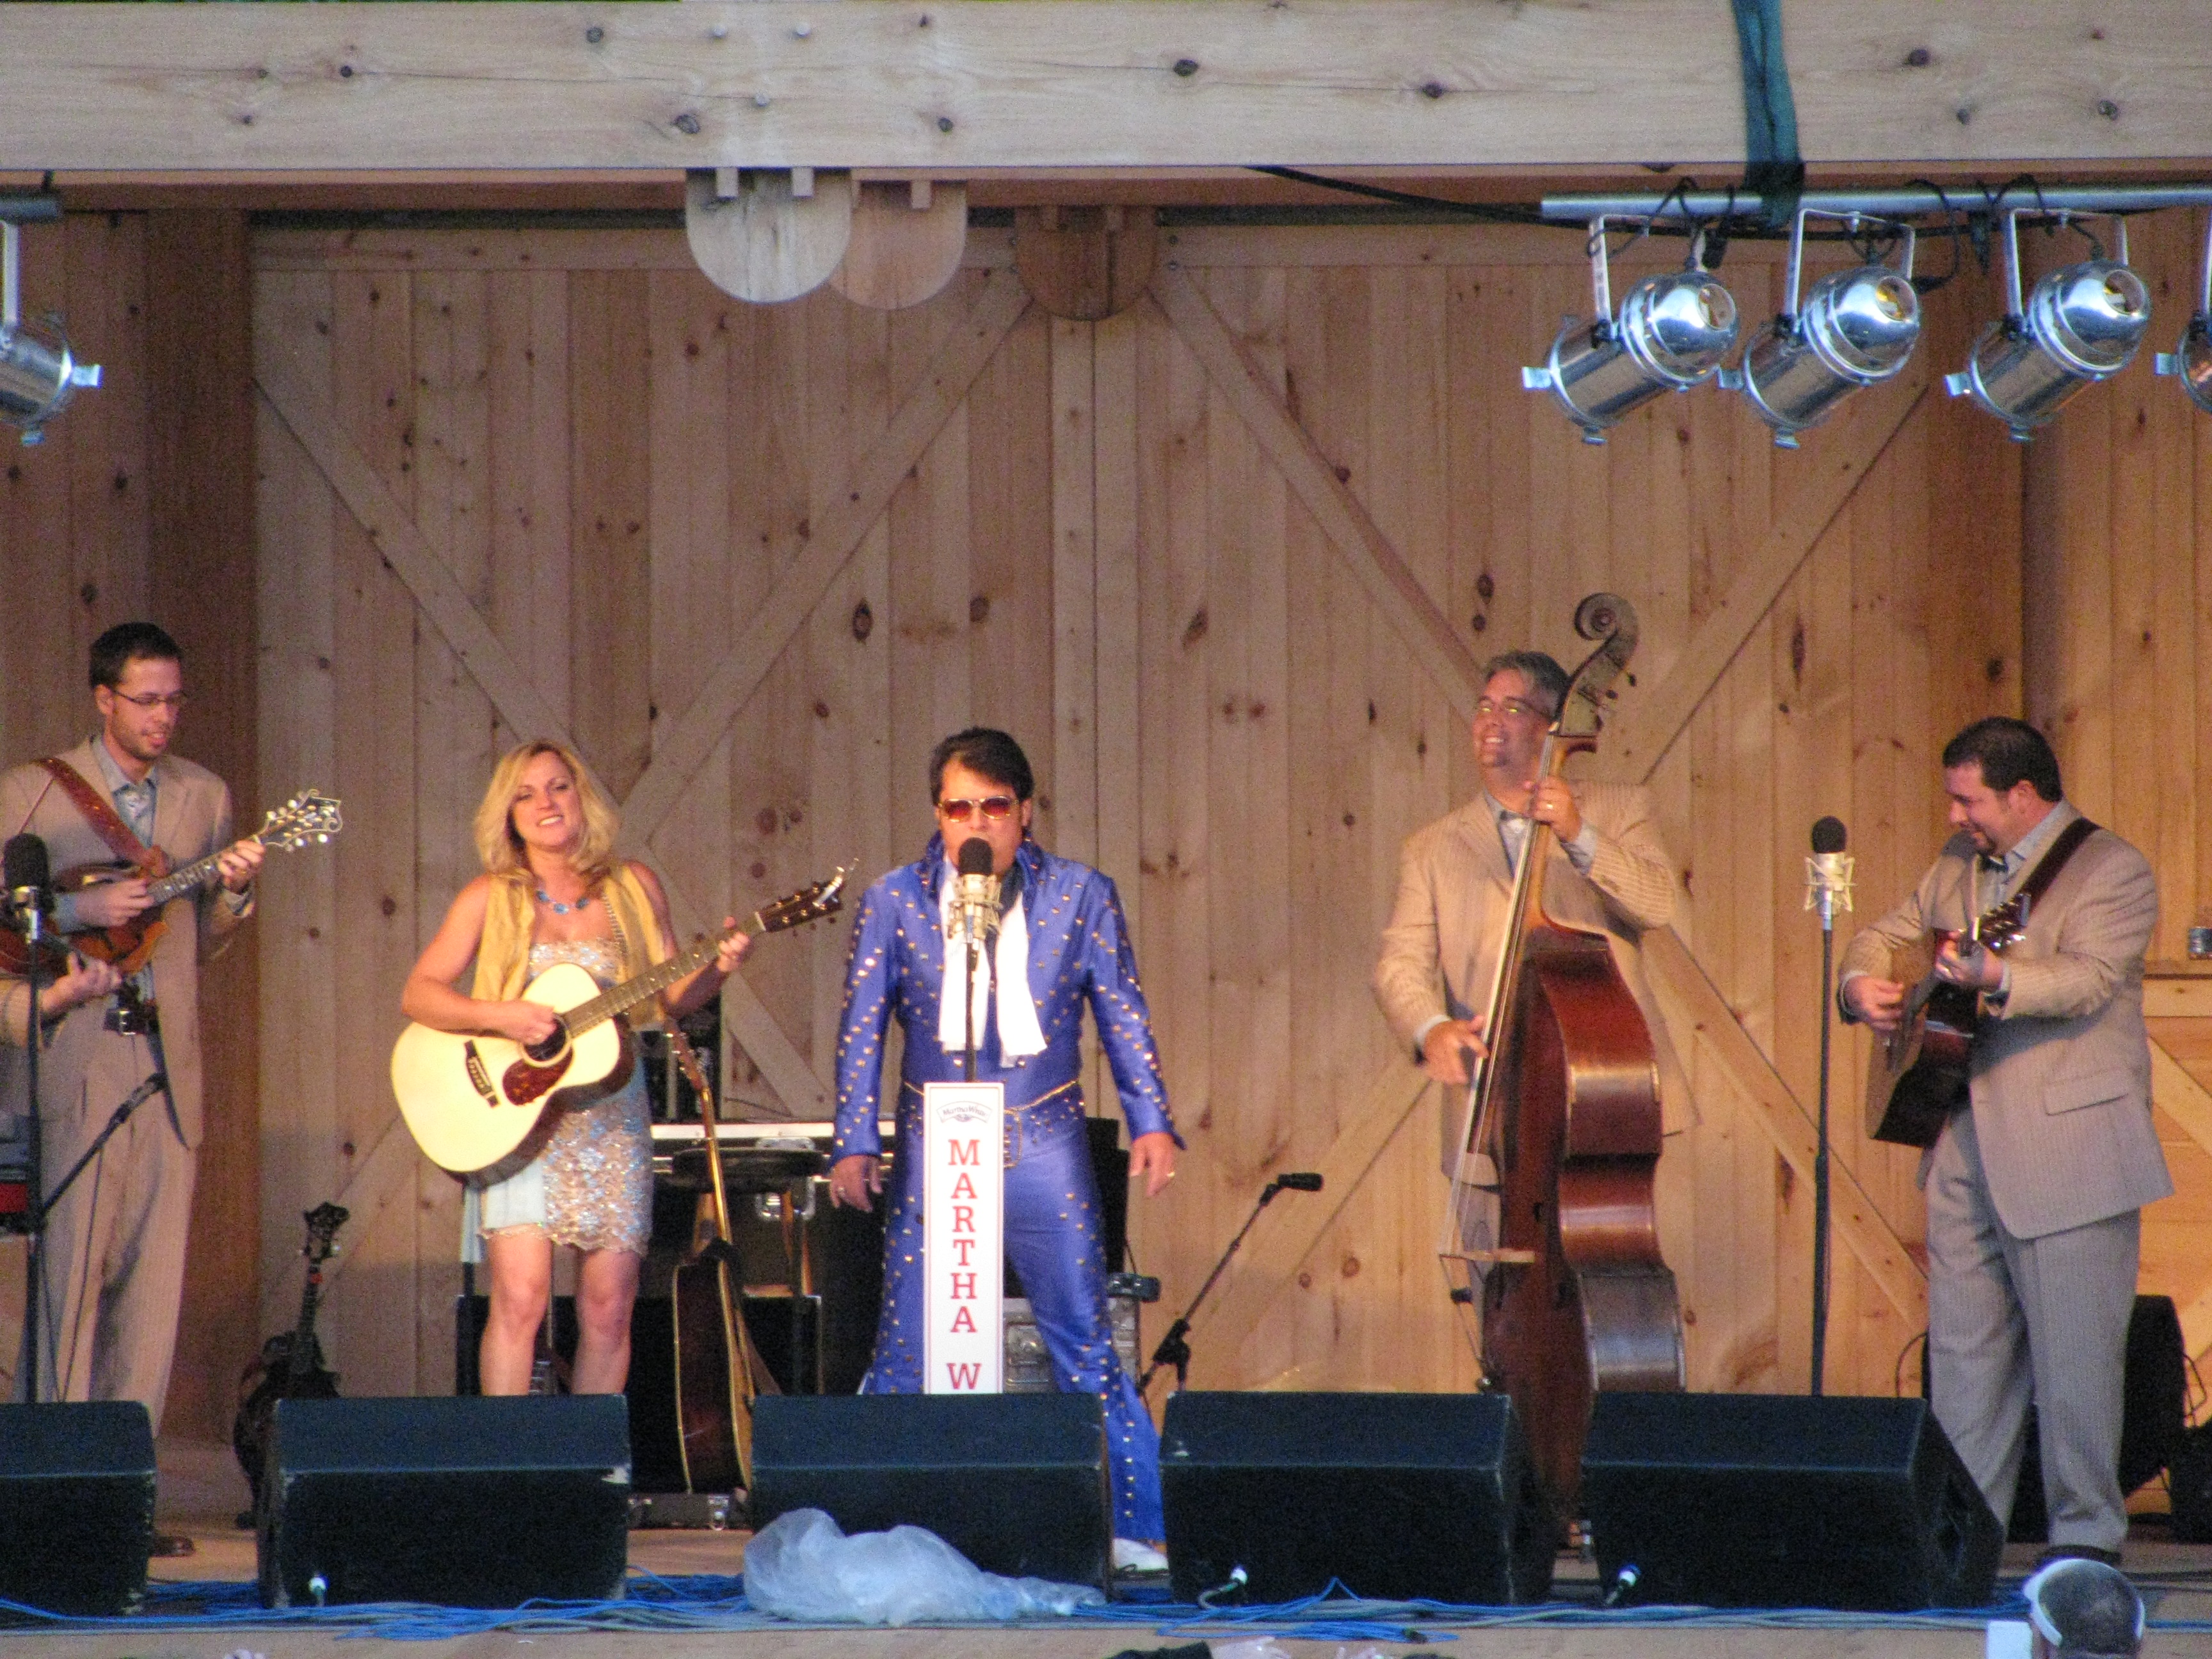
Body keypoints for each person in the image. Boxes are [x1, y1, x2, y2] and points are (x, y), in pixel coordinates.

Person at [828, 728, 1180, 1553]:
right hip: (935, 1139)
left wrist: (1151, 1120)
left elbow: (1122, 1013)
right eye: (960, 809)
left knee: (1085, 1341)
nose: (977, 823)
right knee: (908, 1344)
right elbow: (861, 1029)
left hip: (1044, 1136)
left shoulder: (1081, 894)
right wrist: (853, 1140)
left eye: (994, 806)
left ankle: (1140, 1534)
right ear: (937, 815)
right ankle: (877, 1532)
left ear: (1026, 813)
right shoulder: (894, 899)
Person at [1841, 717, 2170, 1563]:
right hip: (1962, 1140)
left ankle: (2085, 1546)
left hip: (2070, 1150)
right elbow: (1887, 932)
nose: (1955, 817)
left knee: (2076, 1367)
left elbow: (2090, 980)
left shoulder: (2112, 869)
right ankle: (1962, 1543)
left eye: (1968, 800)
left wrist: (1998, 976)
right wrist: (1859, 982)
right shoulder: (1958, 864)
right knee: (1964, 1360)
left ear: (2022, 794)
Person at [401, 740, 748, 1395]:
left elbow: (671, 997)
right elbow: (419, 994)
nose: (546, 803)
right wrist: (503, 1016)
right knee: (521, 1301)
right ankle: (510, 1453)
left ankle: (592, 1453)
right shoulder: (489, 896)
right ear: (508, 815)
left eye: (559, 786)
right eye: (526, 794)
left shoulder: (633, 886)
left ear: (582, 797)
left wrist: (721, 967)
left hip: (612, 1113)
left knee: (609, 1308)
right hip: (521, 1114)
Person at [0, 623, 264, 1466]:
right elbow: (7, 921)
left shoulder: (204, 796)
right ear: (104, 699)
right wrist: (81, 910)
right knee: (67, 1282)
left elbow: (202, 944)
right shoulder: (30, 795)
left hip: (165, 1064)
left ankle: (124, 1486)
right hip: (76, 1056)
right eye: (146, 700)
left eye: (174, 701)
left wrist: (236, 895)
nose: (163, 718)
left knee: (151, 1297)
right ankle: (53, 1479)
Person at [1374, 650, 1689, 1147]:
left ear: (1551, 728)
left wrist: (1579, 834)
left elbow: (1658, 904)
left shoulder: (1620, 808)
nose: (1491, 720)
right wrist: (1431, 1028)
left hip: (1610, 1086)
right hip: (1492, 1103)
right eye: (1484, 707)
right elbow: (1399, 965)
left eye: (1513, 709)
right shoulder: (1430, 848)